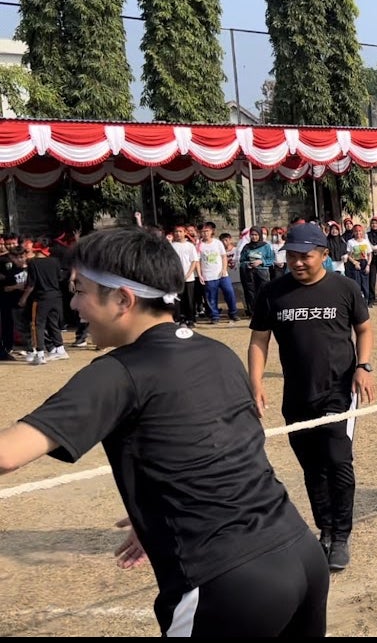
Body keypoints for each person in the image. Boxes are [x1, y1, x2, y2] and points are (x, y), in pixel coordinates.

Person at [0, 227, 328, 636]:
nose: (74, 304)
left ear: (124, 299)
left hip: (228, 582)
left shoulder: (118, 372)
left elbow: (7, 454)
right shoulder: (216, 352)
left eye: (81, 290)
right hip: (299, 552)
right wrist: (160, 511)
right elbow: (230, 448)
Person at [248, 222, 376, 571]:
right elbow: (259, 340)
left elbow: (364, 328)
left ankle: (342, 535)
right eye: (291, 255)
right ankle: (326, 530)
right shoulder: (272, 293)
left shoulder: (345, 288)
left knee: (338, 462)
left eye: (305, 256)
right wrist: (255, 382)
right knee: (312, 467)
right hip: (297, 395)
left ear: (323, 254)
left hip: (338, 392)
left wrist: (364, 366)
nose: (297, 262)